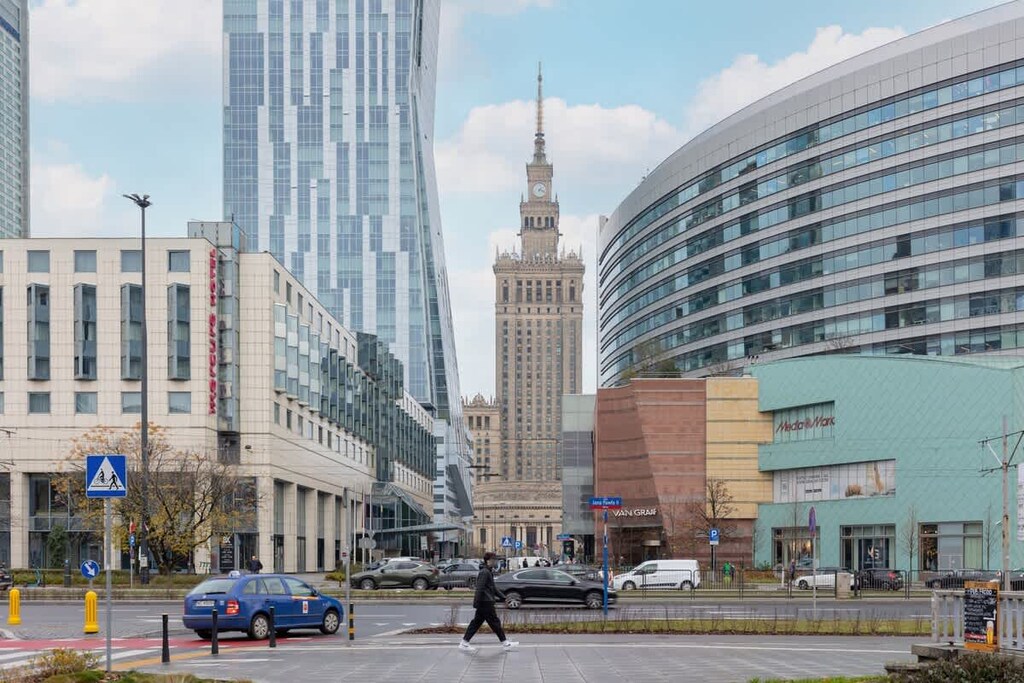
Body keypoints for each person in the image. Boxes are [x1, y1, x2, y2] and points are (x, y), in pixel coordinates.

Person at [459, 552, 518, 652]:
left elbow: (493, 587)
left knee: (476, 623)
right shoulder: (484, 572)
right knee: (494, 622)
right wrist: (476, 602)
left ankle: (464, 642)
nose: (496, 562)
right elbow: (480, 588)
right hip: (485, 602)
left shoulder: (488, 571)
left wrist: (503, 597)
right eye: (494, 560)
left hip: (486, 601)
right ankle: (505, 643)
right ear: (488, 560)